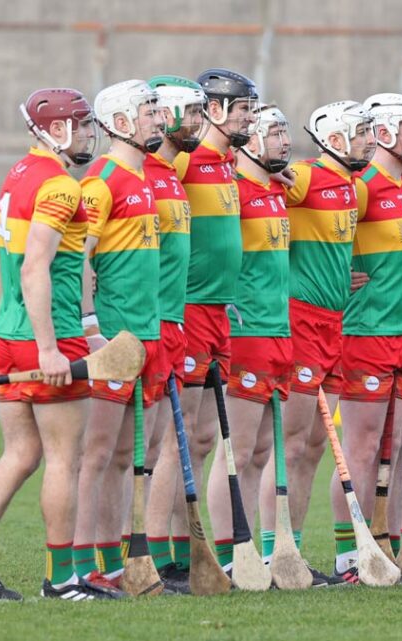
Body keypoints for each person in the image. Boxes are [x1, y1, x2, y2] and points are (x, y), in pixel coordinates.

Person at [0, 87, 115, 600]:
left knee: (21, 453)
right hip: (49, 337)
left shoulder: (19, 174)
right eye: (80, 124)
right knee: (65, 458)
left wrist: (11, 325)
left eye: (89, 124)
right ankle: (62, 579)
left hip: (10, 335)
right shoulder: (61, 186)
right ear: (54, 130)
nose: (89, 132)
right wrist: (48, 346)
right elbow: (34, 265)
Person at [144, 68, 257, 591]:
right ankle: (160, 555)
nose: (249, 119)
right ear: (212, 110)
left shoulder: (229, 162)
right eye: (241, 110)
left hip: (218, 313)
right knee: (177, 437)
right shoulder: (183, 160)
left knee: (202, 436)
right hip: (185, 311)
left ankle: (179, 549)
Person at [259, 99, 376, 587]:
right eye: (362, 133)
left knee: (310, 448)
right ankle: (271, 552)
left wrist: (333, 275)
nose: (370, 141)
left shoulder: (356, 190)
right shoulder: (303, 178)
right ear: (335, 138)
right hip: (300, 320)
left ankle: (293, 552)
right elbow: (264, 219)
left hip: (335, 322)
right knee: (289, 443)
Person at [72, 79, 167, 592]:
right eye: (150, 111)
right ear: (123, 122)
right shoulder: (101, 181)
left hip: (148, 337)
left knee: (138, 457)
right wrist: (92, 330)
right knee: (99, 453)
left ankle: (114, 561)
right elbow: (77, 261)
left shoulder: (147, 178)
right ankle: (83, 564)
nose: (159, 119)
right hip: (114, 339)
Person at [328, 92, 402, 582]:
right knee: (361, 449)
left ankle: (384, 546)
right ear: (385, 131)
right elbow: (324, 232)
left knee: (391, 445)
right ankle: (350, 556)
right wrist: (333, 270)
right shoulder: (363, 186)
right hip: (366, 334)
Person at [206, 104, 290, 576]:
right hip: (247, 330)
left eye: (283, 131)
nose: (282, 140)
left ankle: (250, 548)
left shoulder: (277, 191)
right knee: (234, 450)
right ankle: (227, 554)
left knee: (259, 451)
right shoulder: (234, 190)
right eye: (272, 132)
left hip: (278, 329)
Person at [140, 75, 206, 589]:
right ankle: (143, 553)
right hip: (147, 324)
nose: (199, 123)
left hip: (177, 321)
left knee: (165, 441)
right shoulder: (145, 172)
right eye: (193, 112)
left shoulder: (172, 171)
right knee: (134, 450)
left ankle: (158, 554)